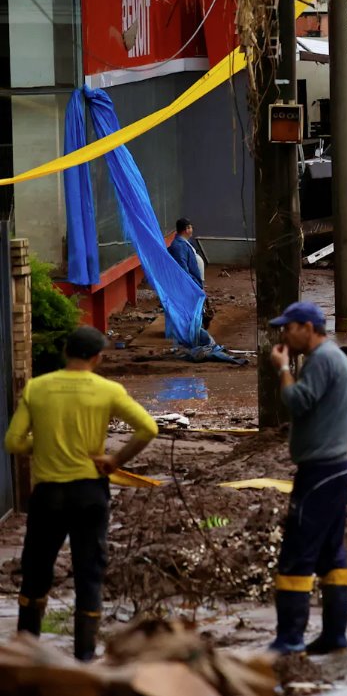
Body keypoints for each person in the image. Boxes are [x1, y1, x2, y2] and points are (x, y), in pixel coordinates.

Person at [5, 327, 158, 661]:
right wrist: (116, 459)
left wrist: (43, 442)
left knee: (36, 570)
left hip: (47, 495)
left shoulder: (37, 388)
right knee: (89, 572)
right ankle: (85, 656)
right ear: (96, 357)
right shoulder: (107, 390)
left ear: (66, 353)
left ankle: (26, 648)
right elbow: (148, 428)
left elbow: (14, 442)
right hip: (90, 493)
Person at [267, 302, 347, 655]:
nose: (283, 335)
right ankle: (335, 636)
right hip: (336, 466)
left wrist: (283, 369)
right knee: (332, 554)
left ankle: (289, 638)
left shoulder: (322, 360)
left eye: (288, 328)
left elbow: (297, 400)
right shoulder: (334, 358)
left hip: (320, 471)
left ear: (307, 327)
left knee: (297, 553)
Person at [167, 218, 202, 288]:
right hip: (190, 285)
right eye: (191, 227)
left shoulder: (186, 241)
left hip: (194, 280)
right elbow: (183, 269)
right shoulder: (179, 246)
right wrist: (195, 285)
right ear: (187, 229)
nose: (192, 229)